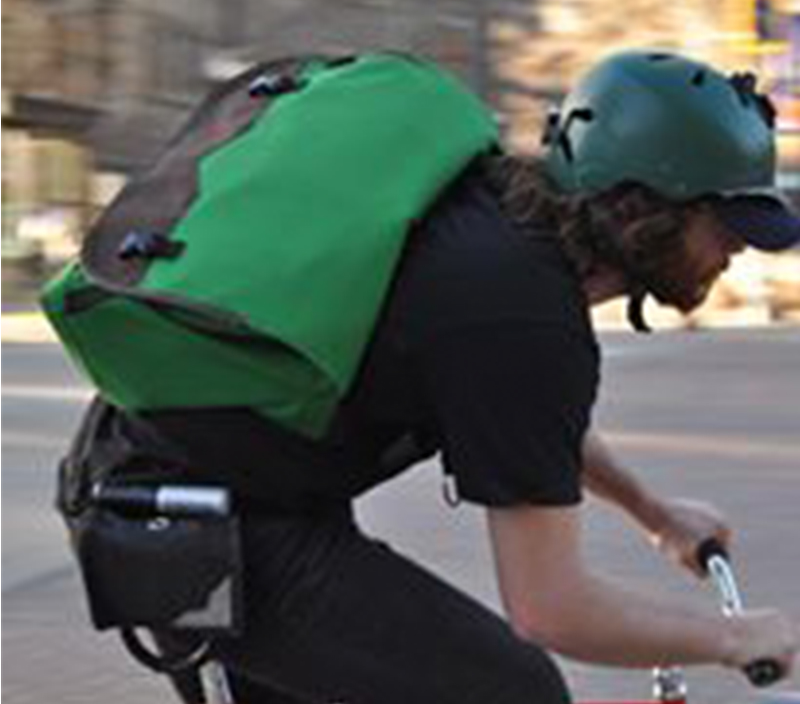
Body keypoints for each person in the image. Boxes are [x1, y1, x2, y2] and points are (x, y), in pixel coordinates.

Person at [84, 50, 800, 704]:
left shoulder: (498, 225)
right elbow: (551, 608)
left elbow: (524, 420)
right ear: (647, 210)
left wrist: (653, 512)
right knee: (511, 693)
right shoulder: (522, 313)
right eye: (725, 220)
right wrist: (732, 637)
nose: (740, 247)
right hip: (199, 523)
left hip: (201, 486)